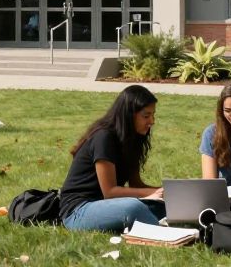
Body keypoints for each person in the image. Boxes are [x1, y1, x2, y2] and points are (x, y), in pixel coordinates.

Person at [59, 85, 165, 232]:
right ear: (128, 115)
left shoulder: (134, 139)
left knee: (166, 204)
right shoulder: (104, 137)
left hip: (107, 205)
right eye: (146, 116)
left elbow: (136, 184)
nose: (152, 121)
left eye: (153, 115)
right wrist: (152, 194)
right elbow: (110, 192)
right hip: (79, 210)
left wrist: (166, 192)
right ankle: (165, 232)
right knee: (134, 207)